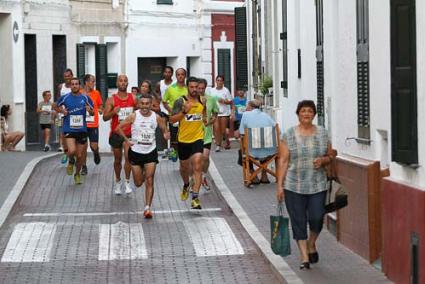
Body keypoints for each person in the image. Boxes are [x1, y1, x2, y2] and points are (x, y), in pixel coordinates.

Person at [276, 100, 333, 270]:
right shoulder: (289, 134)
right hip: (294, 185)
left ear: (314, 114)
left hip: (317, 185)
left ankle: (311, 243)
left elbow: (331, 155)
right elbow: (284, 160)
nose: (306, 114)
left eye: (309, 111)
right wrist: (279, 185)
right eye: (303, 111)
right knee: (298, 220)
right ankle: (304, 256)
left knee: (317, 218)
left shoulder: (323, 133)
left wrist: (323, 160)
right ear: (298, 114)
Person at [115, 93, 170, 218]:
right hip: (136, 153)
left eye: (147, 104)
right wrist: (127, 140)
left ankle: (147, 208)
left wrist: (166, 134)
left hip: (151, 152)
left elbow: (164, 130)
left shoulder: (156, 117)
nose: (145, 106)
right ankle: (143, 174)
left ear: (151, 105)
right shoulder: (134, 116)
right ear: (139, 104)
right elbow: (118, 128)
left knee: (150, 180)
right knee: (139, 183)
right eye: (142, 104)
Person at [170, 77, 206, 210]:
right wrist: (184, 111)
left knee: (197, 165)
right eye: (192, 87)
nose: (195, 89)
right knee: (184, 168)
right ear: (187, 87)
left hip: (198, 138)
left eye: (197, 87)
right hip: (183, 140)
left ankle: (195, 197)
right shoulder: (180, 101)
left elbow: (204, 112)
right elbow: (171, 119)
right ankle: (186, 184)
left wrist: (206, 119)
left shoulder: (203, 100)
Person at [53, 77, 94, 185]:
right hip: (69, 128)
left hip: (81, 129)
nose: (75, 86)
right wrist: (62, 111)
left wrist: (90, 111)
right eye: (73, 84)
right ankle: (71, 161)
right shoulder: (65, 98)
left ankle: (77, 174)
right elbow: (54, 106)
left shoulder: (85, 98)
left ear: (79, 86)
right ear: (70, 86)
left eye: (76, 84)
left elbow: (93, 112)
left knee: (80, 156)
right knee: (71, 151)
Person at [103, 74, 137, 195]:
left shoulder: (133, 98)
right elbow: (105, 117)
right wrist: (113, 111)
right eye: (120, 81)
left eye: (125, 81)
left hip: (129, 133)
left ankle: (127, 182)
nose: (123, 83)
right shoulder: (111, 99)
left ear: (127, 83)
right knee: (118, 160)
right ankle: (118, 182)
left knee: (128, 157)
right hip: (116, 132)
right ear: (117, 84)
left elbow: (139, 112)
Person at [237, 99, 275, 184]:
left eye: (247, 105)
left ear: (250, 107)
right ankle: (264, 175)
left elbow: (242, 133)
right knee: (263, 143)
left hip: (252, 152)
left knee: (242, 150)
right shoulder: (266, 115)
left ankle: (253, 174)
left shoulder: (246, 115)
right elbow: (277, 130)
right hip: (269, 152)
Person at [81, 74, 103, 175]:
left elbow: (100, 105)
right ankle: (84, 166)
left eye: (94, 81)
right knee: (83, 147)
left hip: (93, 124)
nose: (94, 83)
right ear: (86, 82)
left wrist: (100, 109)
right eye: (92, 81)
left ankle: (96, 153)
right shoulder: (79, 93)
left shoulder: (96, 93)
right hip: (82, 124)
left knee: (94, 146)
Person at [198, 78, 218, 191]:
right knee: (195, 159)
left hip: (207, 133)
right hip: (195, 133)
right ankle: (194, 179)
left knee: (205, 157)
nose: (200, 90)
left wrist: (212, 121)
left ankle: (204, 176)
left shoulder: (211, 99)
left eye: (202, 88)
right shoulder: (192, 100)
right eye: (198, 88)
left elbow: (215, 113)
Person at [162, 68, 188, 152]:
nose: (180, 76)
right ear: (176, 76)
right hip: (174, 117)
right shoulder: (170, 89)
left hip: (186, 118)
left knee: (185, 137)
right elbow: (164, 101)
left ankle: (184, 153)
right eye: (178, 75)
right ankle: (174, 153)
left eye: (182, 74)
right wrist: (171, 111)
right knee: (174, 138)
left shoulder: (188, 89)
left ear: (185, 76)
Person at [211, 75, 232, 152]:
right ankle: (218, 145)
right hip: (215, 112)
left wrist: (224, 101)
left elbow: (230, 102)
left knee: (223, 131)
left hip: (224, 113)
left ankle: (227, 141)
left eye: (221, 80)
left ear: (223, 82)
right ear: (216, 81)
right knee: (216, 129)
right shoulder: (212, 90)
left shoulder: (226, 90)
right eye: (218, 80)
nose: (219, 82)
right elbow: (210, 100)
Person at [57, 69, 74, 162]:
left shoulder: (75, 86)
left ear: (72, 76)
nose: (67, 78)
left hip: (74, 114)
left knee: (73, 134)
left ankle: (72, 153)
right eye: (65, 76)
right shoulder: (61, 86)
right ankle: (65, 153)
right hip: (63, 114)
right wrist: (61, 110)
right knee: (63, 133)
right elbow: (58, 100)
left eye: (69, 76)